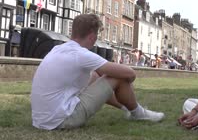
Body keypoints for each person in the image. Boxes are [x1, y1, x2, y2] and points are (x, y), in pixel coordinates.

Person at [30, 14, 165, 130]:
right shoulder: (81, 54)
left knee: (94, 75)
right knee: (118, 78)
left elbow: (96, 75)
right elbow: (130, 73)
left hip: (41, 120)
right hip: (60, 120)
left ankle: (127, 109)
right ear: (92, 37)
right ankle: (139, 113)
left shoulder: (58, 49)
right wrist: (126, 84)